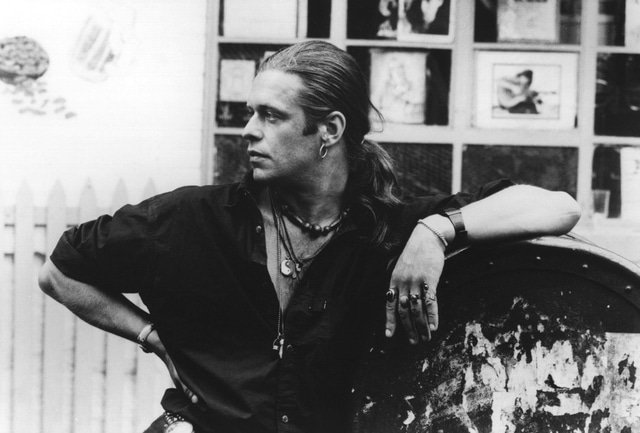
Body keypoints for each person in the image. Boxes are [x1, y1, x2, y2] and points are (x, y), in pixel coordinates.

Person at [38, 40, 581, 433]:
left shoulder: (388, 231)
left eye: (271, 116)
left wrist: (437, 232)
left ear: (330, 130)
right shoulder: (189, 219)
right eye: (250, 113)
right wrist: (152, 336)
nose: (249, 130)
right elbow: (60, 272)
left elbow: (558, 207)